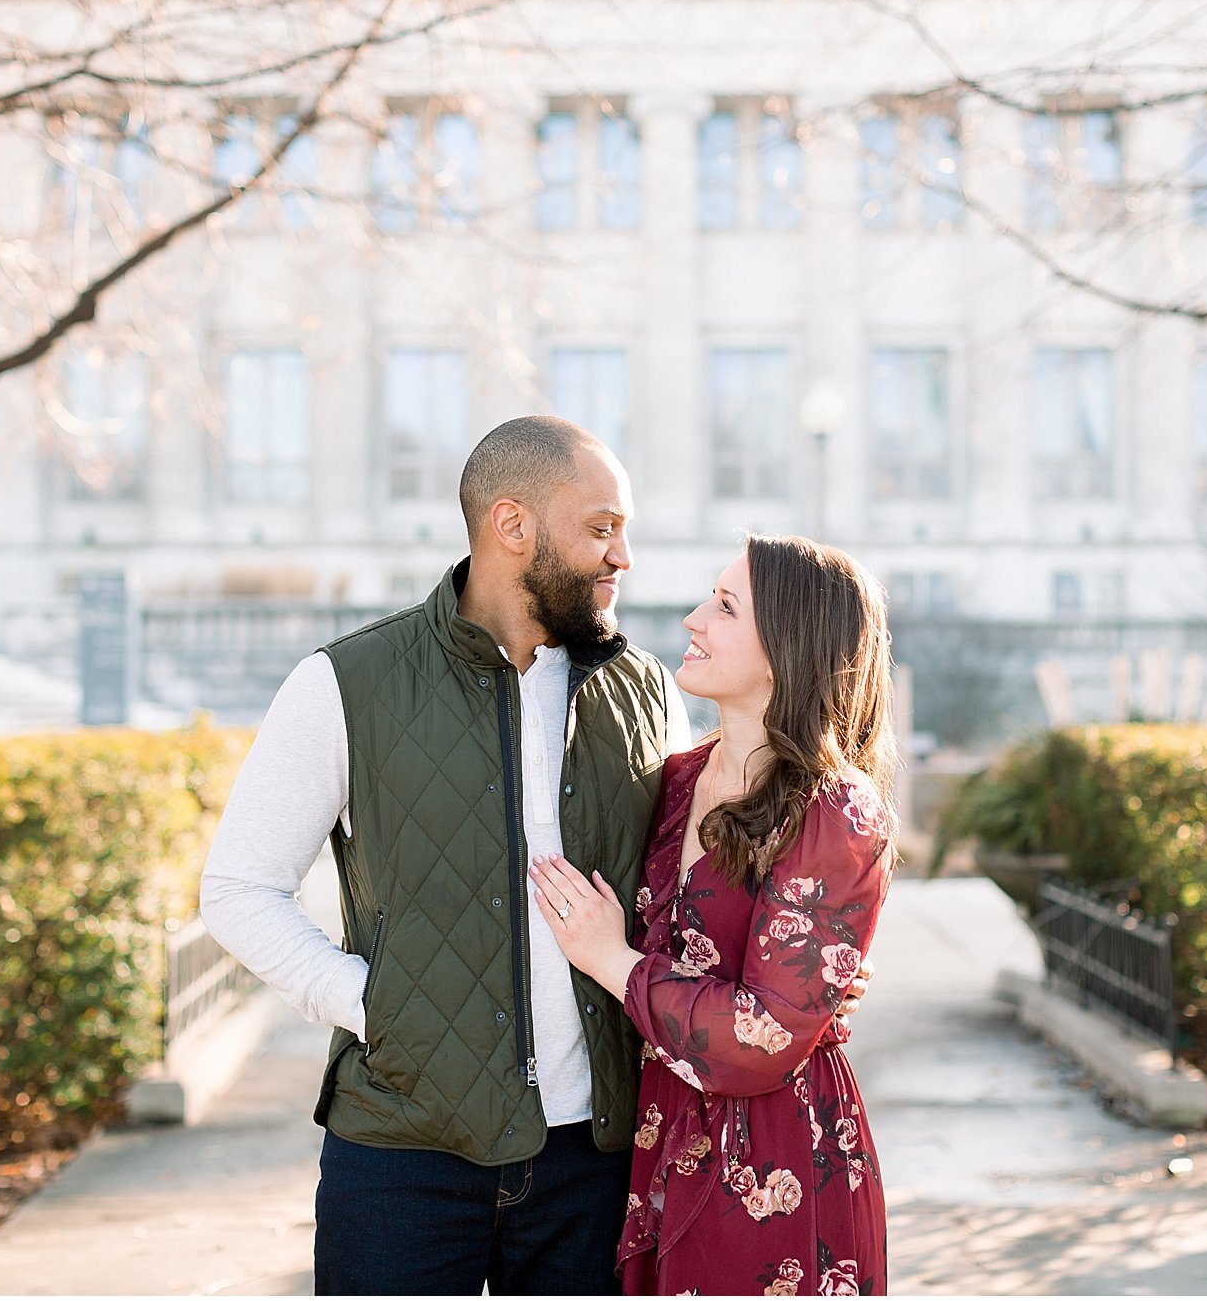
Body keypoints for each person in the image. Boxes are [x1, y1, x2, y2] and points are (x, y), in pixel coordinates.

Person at [199, 415, 693, 1294]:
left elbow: (684, 897)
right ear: (513, 525)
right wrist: (374, 1005)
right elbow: (240, 888)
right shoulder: (349, 682)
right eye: (602, 528)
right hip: (401, 1157)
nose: (623, 557)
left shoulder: (646, 689)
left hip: (599, 1161)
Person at [529, 533, 898, 1296]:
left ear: (786, 648)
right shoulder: (674, 778)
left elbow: (760, 1036)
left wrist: (609, 958)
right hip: (654, 1144)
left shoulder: (836, 811)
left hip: (774, 1162)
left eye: (726, 606)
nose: (694, 619)